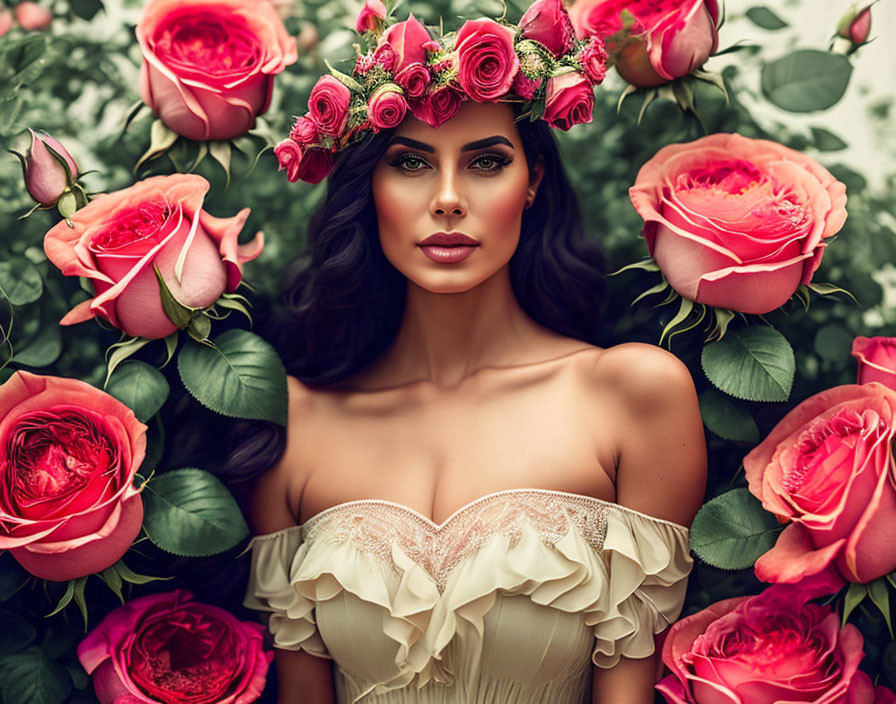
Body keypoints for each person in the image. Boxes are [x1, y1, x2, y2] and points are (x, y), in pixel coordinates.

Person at [242, 3, 707, 702]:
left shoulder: (633, 396)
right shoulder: (296, 423)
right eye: (410, 164)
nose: (449, 199)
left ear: (534, 184)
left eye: (487, 162)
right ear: (369, 189)